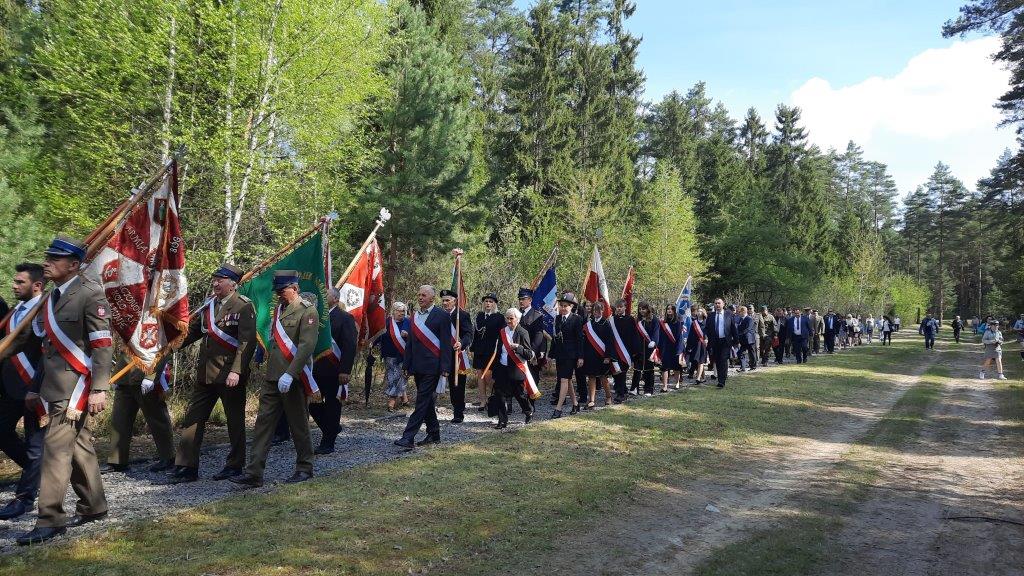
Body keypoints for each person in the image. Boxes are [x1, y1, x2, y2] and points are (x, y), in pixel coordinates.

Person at [0, 237, 112, 544]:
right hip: (52, 387)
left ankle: (50, 519)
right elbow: (43, 348)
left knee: (54, 452)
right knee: (80, 447)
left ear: (73, 265)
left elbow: (102, 345)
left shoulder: (91, 294)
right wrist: (36, 386)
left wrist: (100, 388)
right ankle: (94, 506)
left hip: (76, 389)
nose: (47, 262)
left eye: (55, 258)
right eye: (48, 257)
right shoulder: (51, 298)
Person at [164, 263, 256, 484]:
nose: (215, 283)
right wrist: (169, 346)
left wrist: (236, 371)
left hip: (229, 375)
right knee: (193, 418)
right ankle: (186, 466)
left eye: (220, 280)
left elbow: (247, 343)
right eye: (214, 279)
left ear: (232, 284)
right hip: (205, 373)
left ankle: (235, 465)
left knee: (234, 421)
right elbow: (193, 333)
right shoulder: (209, 306)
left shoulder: (244, 306)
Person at [231, 270, 320, 488]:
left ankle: (304, 467)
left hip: (293, 378)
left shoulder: (307, 311)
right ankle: (254, 473)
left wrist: (290, 374)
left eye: (283, 290)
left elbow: (306, 346)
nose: (279, 294)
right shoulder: (279, 309)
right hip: (272, 377)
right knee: (263, 425)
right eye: (278, 291)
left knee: (298, 425)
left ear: (295, 288)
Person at [0, 263, 45, 521]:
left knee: (35, 444)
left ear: (37, 285)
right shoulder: (16, 310)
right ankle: (37, 473)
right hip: (11, 387)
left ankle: (24, 498)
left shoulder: (42, 310)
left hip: (34, 386)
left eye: (20, 282)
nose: (14, 286)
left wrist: (38, 387)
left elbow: (46, 353)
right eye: (14, 281)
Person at [393, 285, 452, 450]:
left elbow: (446, 343)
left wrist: (445, 367)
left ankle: (408, 437)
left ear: (432, 298)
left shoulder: (442, 315)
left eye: (424, 295)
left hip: (433, 367)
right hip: (417, 366)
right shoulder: (415, 316)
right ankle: (434, 433)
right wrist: (406, 364)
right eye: (419, 295)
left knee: (421, 402)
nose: (420, 298)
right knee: (426, 402)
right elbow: (410, 343)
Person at [101, 347, 175, 474]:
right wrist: (116, 374)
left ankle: (168, 456)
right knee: (120, 419)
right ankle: (117, 460)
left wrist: (152, 376)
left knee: (157, 418)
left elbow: (164, 346)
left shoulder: (160, 326)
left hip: (147, 371)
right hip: (125, 373)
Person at [308, 288, 357, 455]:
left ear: (335, 299)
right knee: (312, 404)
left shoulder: (345, 318)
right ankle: (333, 428)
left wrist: (345, 370)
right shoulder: (316, 317)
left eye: (326, 295)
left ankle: (328, 443)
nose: (323, 297)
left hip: (334, 370)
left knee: (332, 406)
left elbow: (349, 346)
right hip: (315, 369)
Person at [493, 308, 535, 429]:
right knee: (499, 393)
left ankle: (528, 410)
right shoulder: (502, 332)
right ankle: (502, 420)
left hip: (516, 368)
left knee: (519, 394)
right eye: (507, 318)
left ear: (517, 319)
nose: (508, 321)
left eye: (511, 318)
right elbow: (498, 350)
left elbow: (529, 354)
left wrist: (518, 347)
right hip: (502, 367)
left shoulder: (523, 332)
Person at [440, 289, 472, 424]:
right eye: (443, 300)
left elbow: (469, 334)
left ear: (454, 301)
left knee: (456, 385)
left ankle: (458, 413)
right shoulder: (438, 315)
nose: (445, 303)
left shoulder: (462, 315)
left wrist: (461, 343)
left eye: (448, 300)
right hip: (440, 355)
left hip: (456, 355)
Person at [550, 293, 583, 418]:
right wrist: (550, 355)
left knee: (564, 379)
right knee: (567, 380)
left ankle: (558, 409)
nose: (563, 308)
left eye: (565, 306)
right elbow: (555, 338)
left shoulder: (577, 319)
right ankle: (575, 404)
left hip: (571, 355)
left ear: (571, 307)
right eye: (561, 305)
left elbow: (580, 339)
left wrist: (580, 357)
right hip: (560, 354)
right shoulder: (558, 319)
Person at [581, 301, 618, 408]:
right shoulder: (589, 324)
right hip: (590, 355)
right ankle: (591, 400)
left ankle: (608, 397)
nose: (596, 312)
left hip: (602, 356)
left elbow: (610, 341)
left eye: (598, 310)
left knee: (603, 377)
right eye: (594, 310)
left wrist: (607, 356)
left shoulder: (605, 323)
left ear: (602, 311)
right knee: (591, 377)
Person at [517, 287, 547, 411]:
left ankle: (531, 403)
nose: (521, 301)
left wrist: (532, 352)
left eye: (523, 299)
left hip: (531, 353)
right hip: (518, 351)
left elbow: (539, 335)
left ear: (530, 300)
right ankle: (519, 403)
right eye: (519, 299)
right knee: (518, 378)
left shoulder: (537, 315)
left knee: (532, 378)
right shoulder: (516, 315)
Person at [377, 301, 411, 412]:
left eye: (403, 311)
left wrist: (408, 335)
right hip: (389, 355)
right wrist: (371, 342)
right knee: (393, 377)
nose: (401, 313)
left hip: (403, 355)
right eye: (399, 311)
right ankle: (405, 399)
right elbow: (380, 334)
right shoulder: (387, 322)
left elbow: (415, 336)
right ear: (393, 311)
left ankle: (391, 402)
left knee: (400, 376)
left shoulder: (408, 322)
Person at [473, 293, 504, 408]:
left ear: (494, 304)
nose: (488, 303)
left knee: (488, 375)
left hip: (492, 350)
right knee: (480, 374)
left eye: (491, 301)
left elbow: (501, 336)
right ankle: (483, 400)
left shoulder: (499, 317)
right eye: (486, 301)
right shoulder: (479, 316)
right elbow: (477, 333)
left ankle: (499, 396)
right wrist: (472, 348)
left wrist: (500, 350)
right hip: (479, 349)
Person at [705, 298, 738, 388]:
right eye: (715, 303)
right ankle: (722, 376)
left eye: (719, 303)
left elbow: (733, 328)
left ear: (723, 304)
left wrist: (736, 341)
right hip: (714, 342)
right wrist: (706, 338)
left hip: (725, 341)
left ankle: (721, 381)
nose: (717, 305)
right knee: (718, 360)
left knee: (723, 359)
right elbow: (707, 329)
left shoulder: (729, 314)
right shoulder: (711, 316)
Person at [610, 299, 637, 403]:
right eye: (617, 307)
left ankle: (621, 394)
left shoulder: (630, 319)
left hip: (626, 351)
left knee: (622, 372)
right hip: (615, 350)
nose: (619, 308)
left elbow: (634, 335)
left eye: (621, 307)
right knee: (616, 372)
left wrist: (634, 351)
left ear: (625, 307)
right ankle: (622, 389)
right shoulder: (612, 320)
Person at [631, 302, 659, 395]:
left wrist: (654, 341)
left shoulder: (654, 319)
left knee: (649, 369)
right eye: (640, 309)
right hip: (638, 348)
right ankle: (635, 388)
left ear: (648, 309)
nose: (641, 311)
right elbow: (634, 334)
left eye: (643, 308)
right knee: (637, 369)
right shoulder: (637, 320)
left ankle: (648, 389)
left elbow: (656, 330)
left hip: (649, 348)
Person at [658, 305, 683, 391]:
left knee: (676, 367)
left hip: (675, 347)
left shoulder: (678, 322)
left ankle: (677, 382)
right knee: (664, 367)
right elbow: (660, 336)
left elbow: (680, 337)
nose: (669, 310)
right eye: (668, 309)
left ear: (674, 311)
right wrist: (659, 348)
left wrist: (679, 350)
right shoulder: (663, 323)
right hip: (665, 347)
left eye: (671, 309)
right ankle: (664, 386)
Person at [685, 308, 709, 383]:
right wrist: (689, 345)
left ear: (703, 313)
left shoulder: (707, 322)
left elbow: (710, 332)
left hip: (703, 344)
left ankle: (698, 378)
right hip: (695, 344)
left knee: (700, 361)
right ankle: (704, 378)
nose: (699, 312)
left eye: (701, 311)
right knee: (697, 360)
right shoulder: (694, 323)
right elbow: (690, 335)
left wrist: (707, 339)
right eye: (698, 311)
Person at [736, 306, 757, 372]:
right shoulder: (740, 319)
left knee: (752, 353)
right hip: (743, 340)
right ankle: (743, 367)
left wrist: (739, 334)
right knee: (740, 353)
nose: (738, 313)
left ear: (743, 311)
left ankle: (753, 366)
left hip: (749, 339)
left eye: (739, 312)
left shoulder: (749, 319)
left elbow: (748, 329)